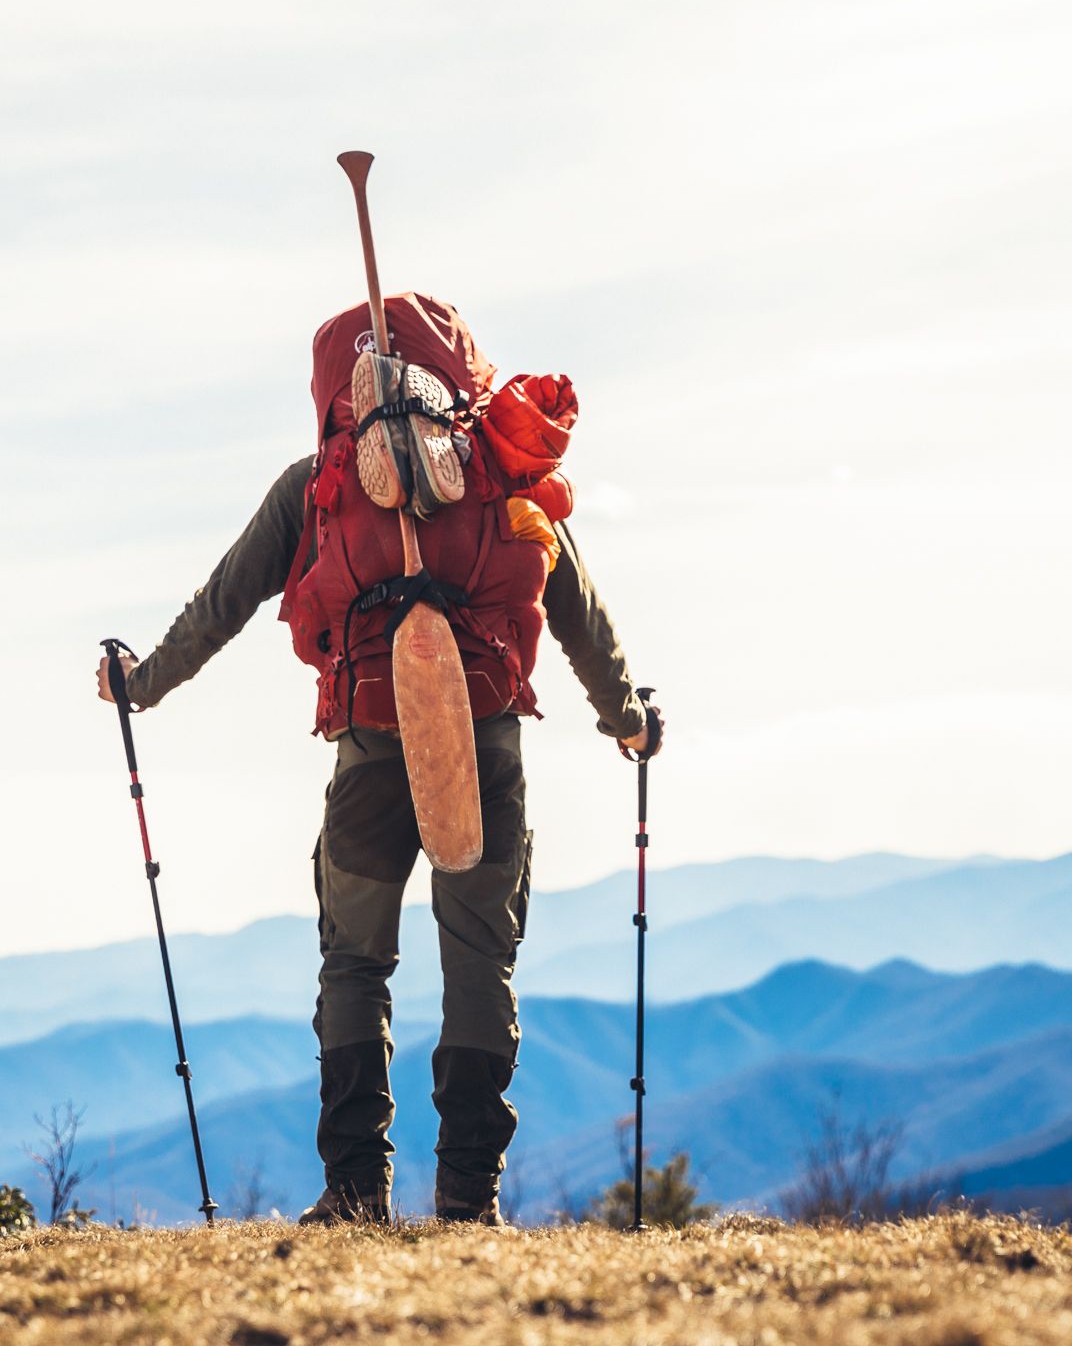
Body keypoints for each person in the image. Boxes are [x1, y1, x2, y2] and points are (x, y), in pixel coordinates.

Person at [96, 292, 661, 1226]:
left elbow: (224, 602)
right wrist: (627, 717)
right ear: (459, 374)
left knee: (354, 963)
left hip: (367, 749)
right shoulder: (502, 473)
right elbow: (581, 620)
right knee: (480, 957)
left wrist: (141, 681)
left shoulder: (314, 486)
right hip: (484, 745)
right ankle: (468, 1198)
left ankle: (356, 1190)